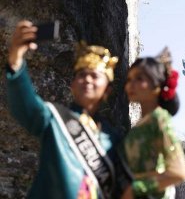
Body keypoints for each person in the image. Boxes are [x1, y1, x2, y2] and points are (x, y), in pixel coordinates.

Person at [6, 20, 131, 199]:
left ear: (108, 90)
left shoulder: (114, 139)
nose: (87, 80)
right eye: (81, 75)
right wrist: (15, 60)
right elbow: (27, 107)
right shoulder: (54, 119)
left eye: (95, 76)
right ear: (72, 85)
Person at [121, 48, 185, 199]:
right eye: (129, 79)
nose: (131, 85)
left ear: (157, 86)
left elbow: (178, 172)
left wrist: (136, 188)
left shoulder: (159, 119)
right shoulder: (142, 123)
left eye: (139, 79)